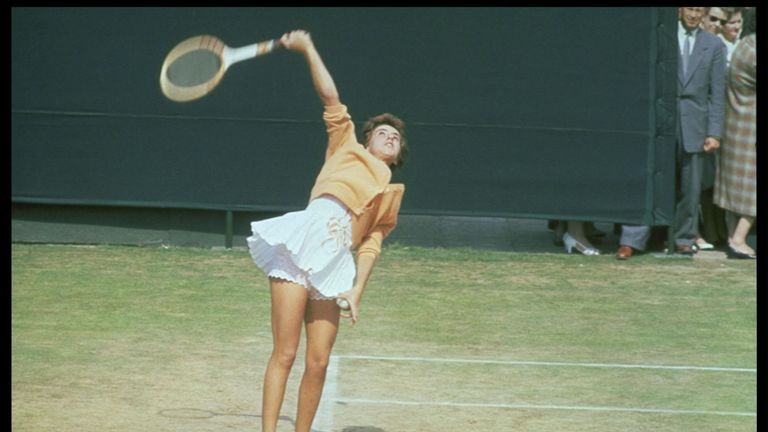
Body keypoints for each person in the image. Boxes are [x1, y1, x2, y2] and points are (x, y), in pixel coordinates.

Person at [246, 30, 408, 431]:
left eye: (397, 137)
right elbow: (331, 99)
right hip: (303, 241)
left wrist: (356, 290)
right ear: (367, 140)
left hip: (336, 261)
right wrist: (307, 49)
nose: (390, 136)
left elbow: (371, 244)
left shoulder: (391, 194)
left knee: (318, 361)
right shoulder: (345, 145)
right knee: (285, 353)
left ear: (398, 154)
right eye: (383, 132)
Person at [616, 7, 726, 260]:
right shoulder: (662, 37)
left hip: (695, 124)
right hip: (661, 121)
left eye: (700, 10)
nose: (694, 15)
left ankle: (684, 238)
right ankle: (632, 239)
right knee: (649, 181)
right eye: (690, 9)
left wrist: (714, 132)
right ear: (680, 10)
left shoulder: (714, 45)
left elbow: (717, 94)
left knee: (691, 186)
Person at [714, 9, 756, 259]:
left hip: (734, 125)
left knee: (733, 189)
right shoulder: (753, 52)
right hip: (749, 128)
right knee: (750, 190)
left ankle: (733, 237)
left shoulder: (743, 45)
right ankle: (739, 239)